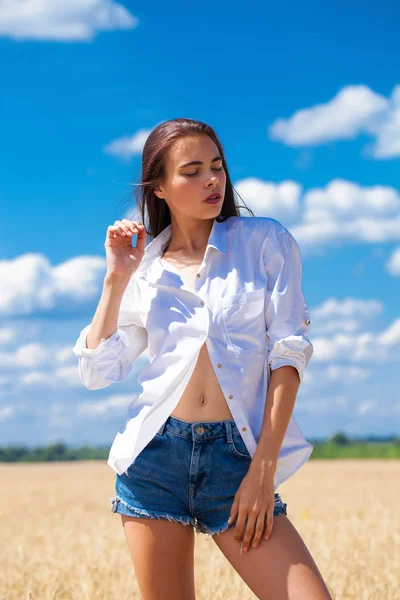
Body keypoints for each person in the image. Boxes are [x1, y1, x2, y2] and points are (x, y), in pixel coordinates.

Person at [73, 118, 332, 600]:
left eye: (217, 166)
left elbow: (289, 352)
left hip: (237, 457)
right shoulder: (145, 270)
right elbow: (97, 371)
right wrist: (116, 279)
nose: (212, 180)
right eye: (192, 171)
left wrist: (263, 470)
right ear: (160, 187)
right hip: (154, 460)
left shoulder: (263, 242)